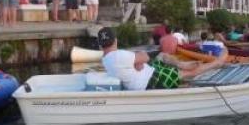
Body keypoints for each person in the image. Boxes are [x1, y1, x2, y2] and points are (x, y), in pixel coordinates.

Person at [98, 27, 228, 90]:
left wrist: (137, 63)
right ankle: (216, 63)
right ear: (115, 40)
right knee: (189, 73)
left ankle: (183, 65)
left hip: (148, 74)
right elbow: (145, 57)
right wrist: (138, 61)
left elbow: (139, 62)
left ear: (100, 45)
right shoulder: (119, 55)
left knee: (162, 55)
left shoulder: (106, 60)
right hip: (151, 80)